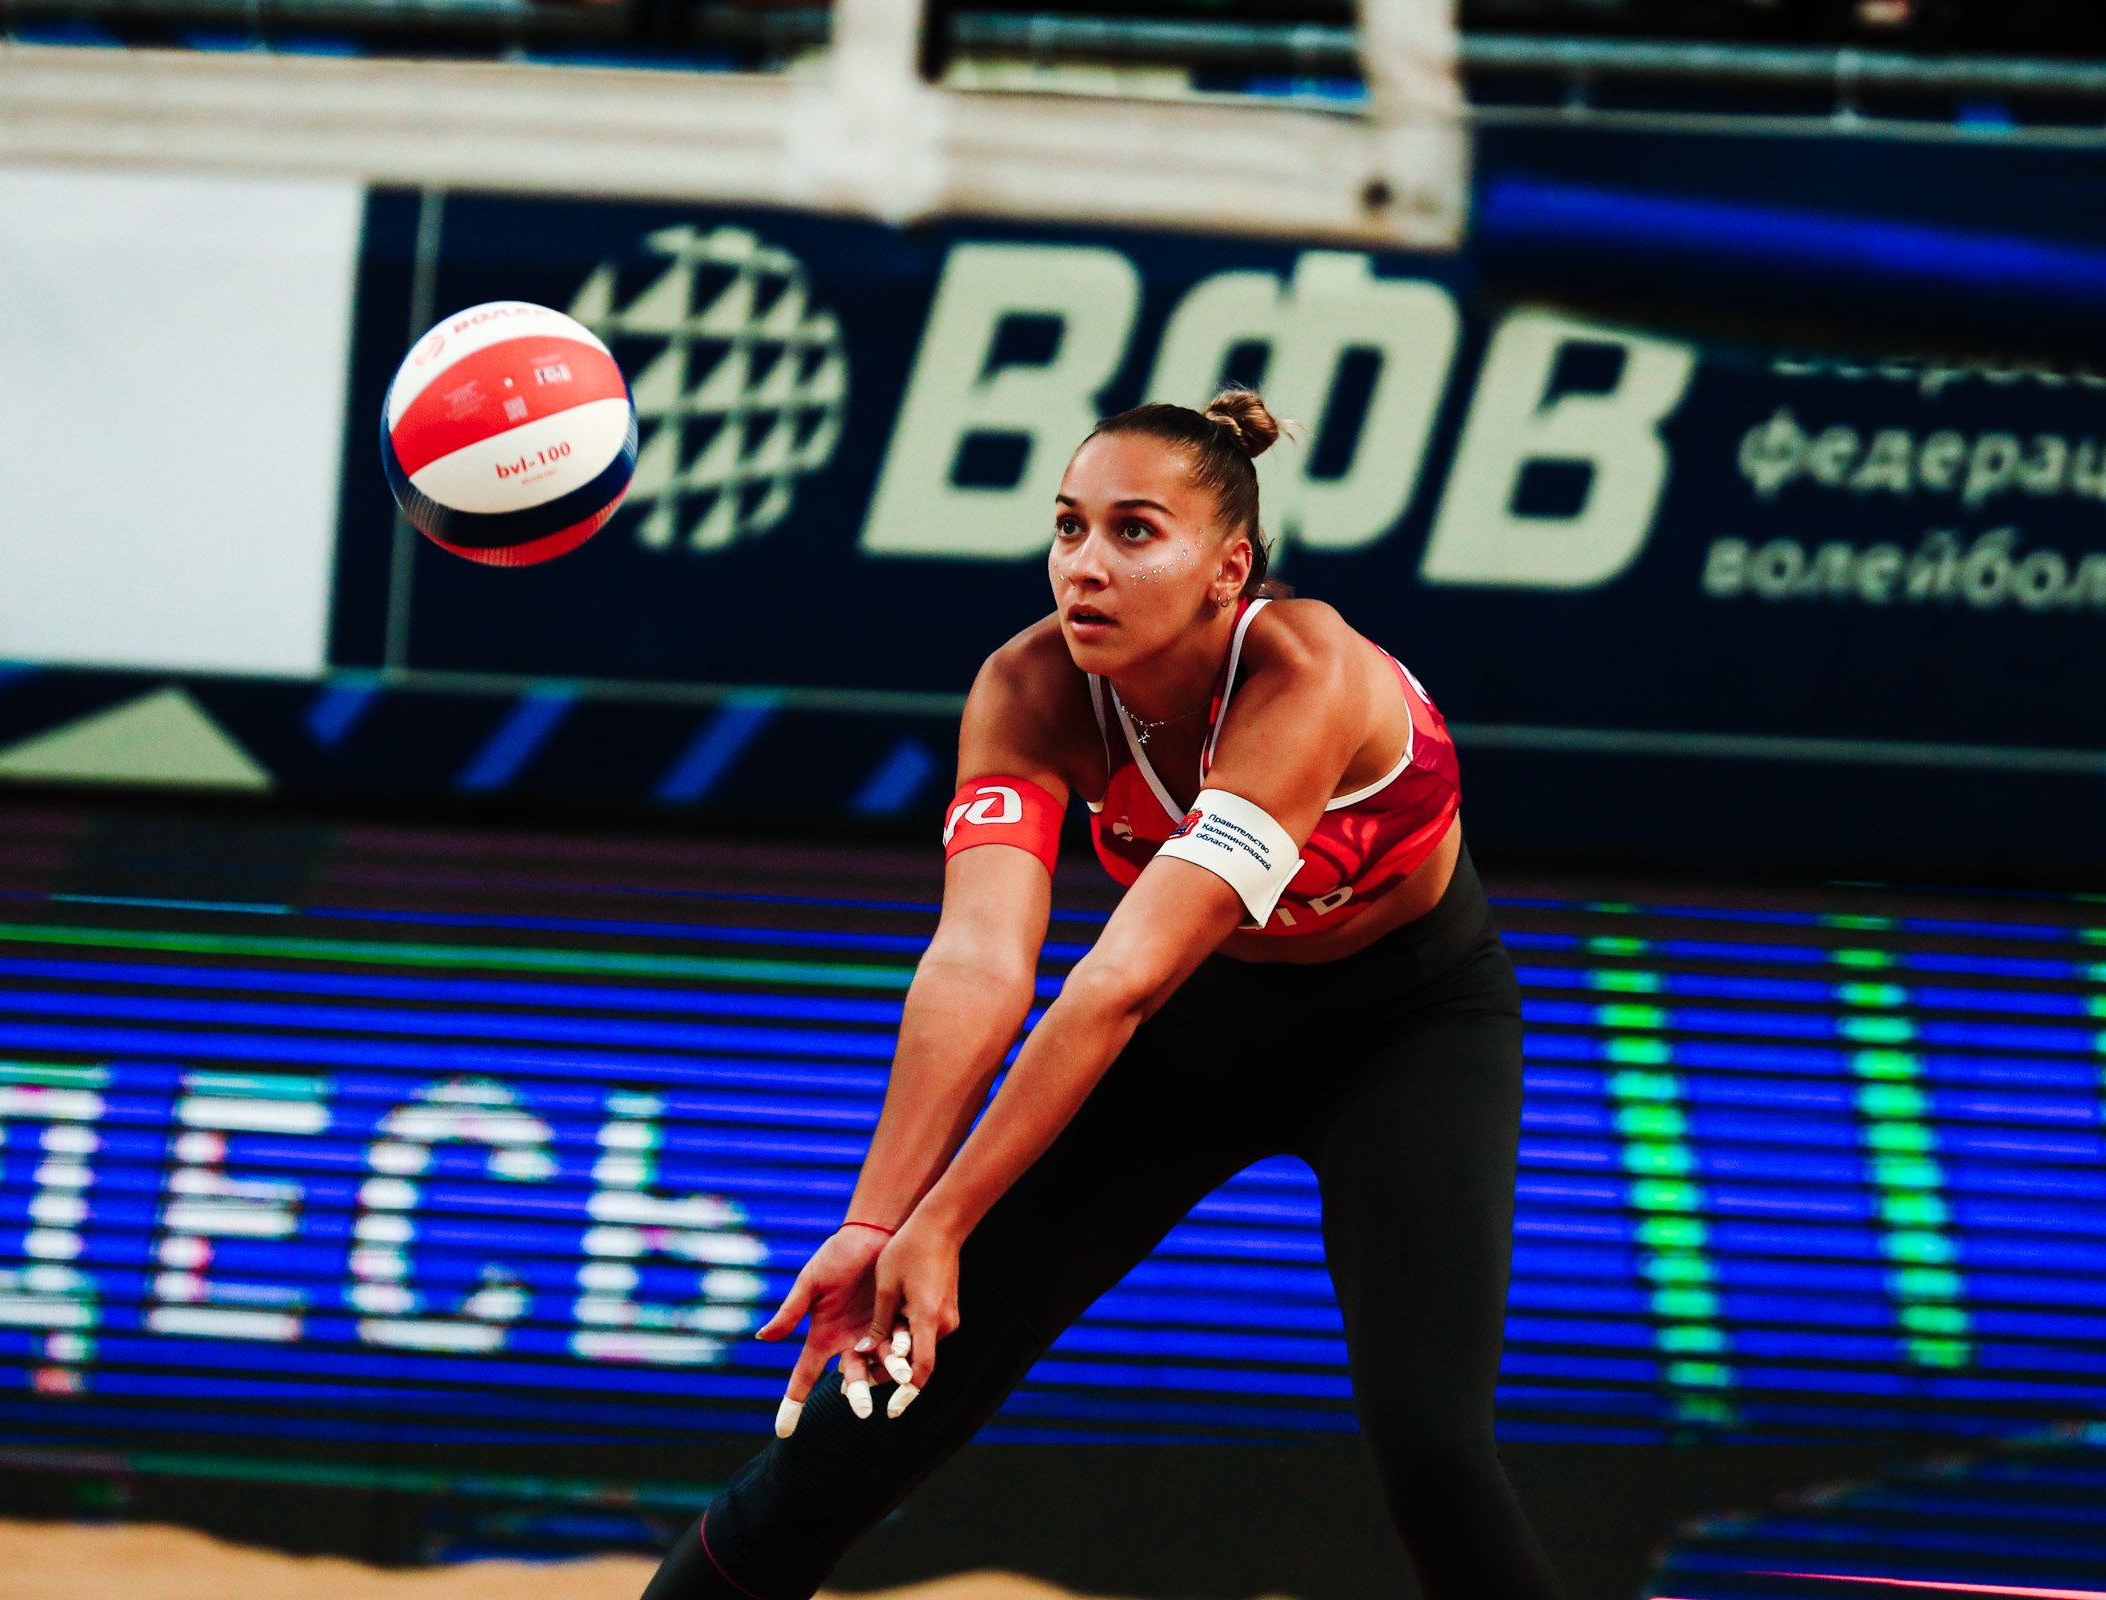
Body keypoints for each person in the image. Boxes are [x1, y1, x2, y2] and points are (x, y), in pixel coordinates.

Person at [639, 391, 1568, 1600]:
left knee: (1436, 1454)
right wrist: (878, 1222)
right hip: (1200, 1027)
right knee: (863, 1422)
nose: (1083, 564)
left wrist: (946, 1217)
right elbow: (978, 962)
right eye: (1068, 526)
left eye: (1135, 532)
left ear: (1228, 569)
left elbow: (1117, 983)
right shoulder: (1027, 688)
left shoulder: (1309, 672)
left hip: (1409, 1025)